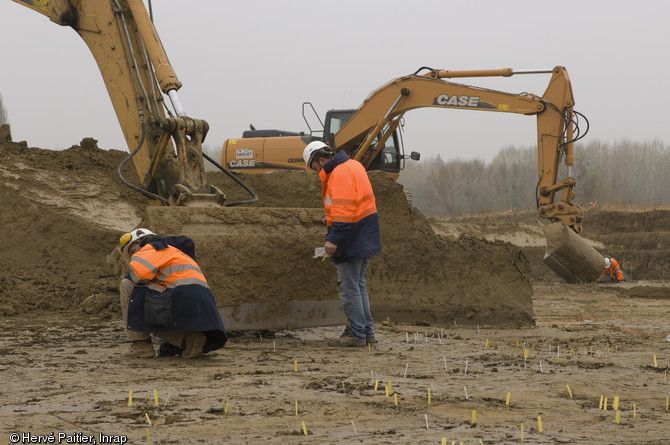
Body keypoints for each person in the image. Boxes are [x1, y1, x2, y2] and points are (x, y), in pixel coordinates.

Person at [303, 141, 382, 347]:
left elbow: (343, 211)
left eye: (315, 168)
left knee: (349, 288)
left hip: (350, 237)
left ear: (320, 159)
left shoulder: (338, 173)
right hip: (365, 234)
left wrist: (333, 239)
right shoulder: (354, 165)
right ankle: (367, 332)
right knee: (359, 285)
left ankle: (356, 334)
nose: (316, 172)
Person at [118, 228, 227, 358]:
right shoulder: (175, 250)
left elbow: (140, 275)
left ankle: (141, 344)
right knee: (150, 299)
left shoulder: (149, 247)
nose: (133, 257)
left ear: (141, 241)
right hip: (202, 306)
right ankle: (189, 340)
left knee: (127, 285)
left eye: (133, 251)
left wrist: (131, 275)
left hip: (180, 297)